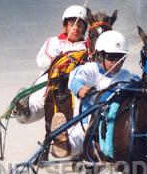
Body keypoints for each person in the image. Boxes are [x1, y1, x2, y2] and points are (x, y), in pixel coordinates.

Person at [50, 30, 140, 158]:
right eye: (111, 57)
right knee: (74, 143)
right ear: (100, 55)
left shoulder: (125, 75)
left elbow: (136, 81)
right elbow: (74, 80)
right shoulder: (89, 69)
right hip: (87, 126)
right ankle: (61, 141)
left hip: (115, 127)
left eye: (120, 58)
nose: (116, 62)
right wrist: (80, 88)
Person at [15, 5, 90, 124]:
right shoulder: (55, 42)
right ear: (65, 27)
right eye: (72, 25)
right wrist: (57, 60)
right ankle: (26, 111)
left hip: (76, 81)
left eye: (80, 26)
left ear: (84, 29)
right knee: (43, 97)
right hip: (53, 78)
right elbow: (42, 60)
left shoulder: (87, 47)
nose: (76, 28)